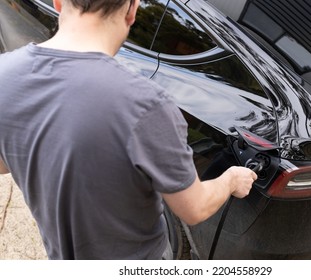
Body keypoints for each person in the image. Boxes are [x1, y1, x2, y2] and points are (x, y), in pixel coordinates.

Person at [0, 0, 257, 259]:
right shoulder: (147, 104)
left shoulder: (5, 74)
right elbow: (195, 209)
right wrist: (232, 179)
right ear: (132, 10)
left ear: (58, 2)